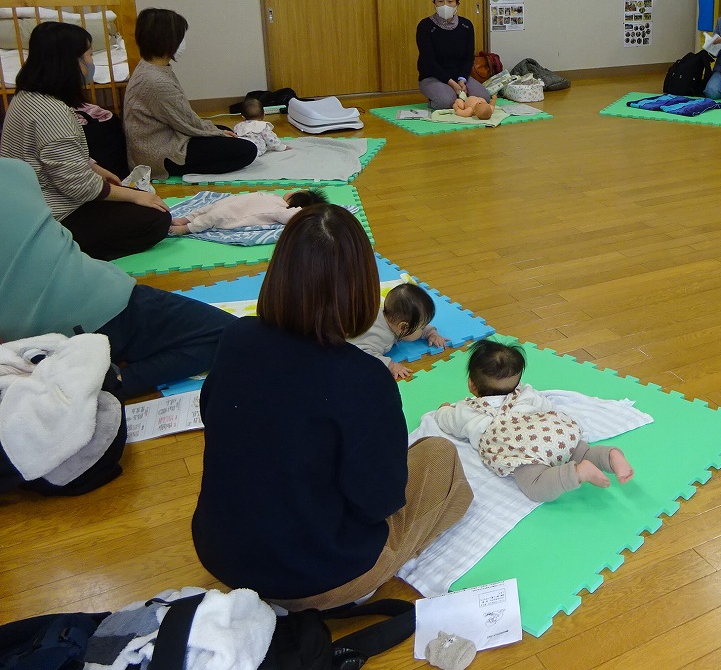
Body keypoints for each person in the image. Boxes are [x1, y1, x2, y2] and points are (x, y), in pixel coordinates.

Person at [192, 205, 473, 609]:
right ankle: (361, 584)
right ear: (363, 288)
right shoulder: (364, 377)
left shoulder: (236, 336)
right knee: (440, 457)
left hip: (220, 552)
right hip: (315, 577)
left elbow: (216, 415)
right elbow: (380, 501)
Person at [0, 158, 230, 399]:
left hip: (27, 342)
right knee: (226, 333)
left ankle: (93, 373)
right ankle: (114, 382)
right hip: (99, 307)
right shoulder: (16, 171)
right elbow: (76, 189)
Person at [0, 21, 171, 261]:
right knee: (156, 219)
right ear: (71, 63)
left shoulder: (25, 97)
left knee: (133, 201)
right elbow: (79, 186)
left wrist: (95, 168)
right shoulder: (52, 113)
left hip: (28, 204)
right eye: (90, 55)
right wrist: (134, 196)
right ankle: (60, 253)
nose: (91, 63)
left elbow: (56, 154)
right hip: (52, 215)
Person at [435, 339, 634, 502]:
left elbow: (446, 421)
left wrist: (444, 409)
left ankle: (578, 474)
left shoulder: (466, 411)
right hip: (555, 433)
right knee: (582, 452)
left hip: (525, 449)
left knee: (535, 485)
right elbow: (548, 407)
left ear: (471, 384)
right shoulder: (526, 393)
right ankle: (610, 456)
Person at [123, 9, 257, 179]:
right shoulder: (156, 81)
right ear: (167, 40)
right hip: (160, 154)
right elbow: (186, 122)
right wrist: (216, 133)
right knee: (247, 150)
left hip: (162, 138)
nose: (183, 42)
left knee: (223, 131)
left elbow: (182, 118)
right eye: (180, 37)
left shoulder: (149, 67)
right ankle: (190, 171)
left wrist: (216, 132)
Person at [352, 282, 447, 382]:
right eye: (422, 328)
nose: (424, 328)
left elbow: (415, 325)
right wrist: (391, 365)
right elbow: (363, 355)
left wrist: (431, 333)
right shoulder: (379, 337)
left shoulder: (389, 315)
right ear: (403, 327)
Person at [417, 0, 489, 111]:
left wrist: (462, 80)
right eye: (440, 1)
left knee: (484, 98)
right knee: (447, 101)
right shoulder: (425, 26)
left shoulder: (466, 25)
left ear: (457, 4)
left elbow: (468, 57)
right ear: (434, 4)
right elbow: (429, 62)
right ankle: (437, 99)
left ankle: (459, 99)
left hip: (460, 76)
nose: (445, 5)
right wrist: (452, 84)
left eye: (450, 1)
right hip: (432, 77)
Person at [170, 188, 326, 235]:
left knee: (212, 216)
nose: (292, 190)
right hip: (232, 202)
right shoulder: (276, 198)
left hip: (233, 214)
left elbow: (297, 215)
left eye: (296, 192)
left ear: (294, 202)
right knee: (209, 208)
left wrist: (309, 209)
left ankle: (186, 228)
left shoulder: (281, 210)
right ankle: (185, 219)